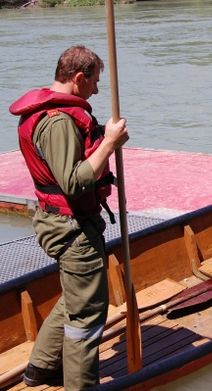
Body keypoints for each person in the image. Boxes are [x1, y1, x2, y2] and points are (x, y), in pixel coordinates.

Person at [9, 45, 128, 389]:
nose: (96, 89)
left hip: (61, 221)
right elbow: (73, 182)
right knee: (87, 318)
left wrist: (106, 139)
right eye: (94, 82)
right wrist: (109, 143)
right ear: (78, 78)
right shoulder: (58, 121)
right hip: (71, 226)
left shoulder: (54, 113)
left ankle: (41, 368)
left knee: (77, 298)